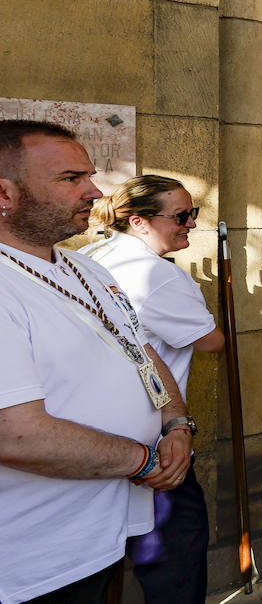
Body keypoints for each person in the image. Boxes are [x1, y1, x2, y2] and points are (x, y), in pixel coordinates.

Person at [0, 120, 192, 603]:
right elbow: (14, 432)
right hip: (33, 554)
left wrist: (177, 424)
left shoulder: (86, 266)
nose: (95, 191)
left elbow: (140, 351)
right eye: (71, 179)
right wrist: (142, 459)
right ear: (5, 194)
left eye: (89, 175)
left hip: (105, 527)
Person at [81, 175, 224, 604]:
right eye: (181, 216)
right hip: (155, 444)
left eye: (193, 213)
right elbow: (212, 341)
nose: (191, 225)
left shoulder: (89, 257)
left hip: (96, 434)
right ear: (140, 221)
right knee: (174, 567)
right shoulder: (158, 275)